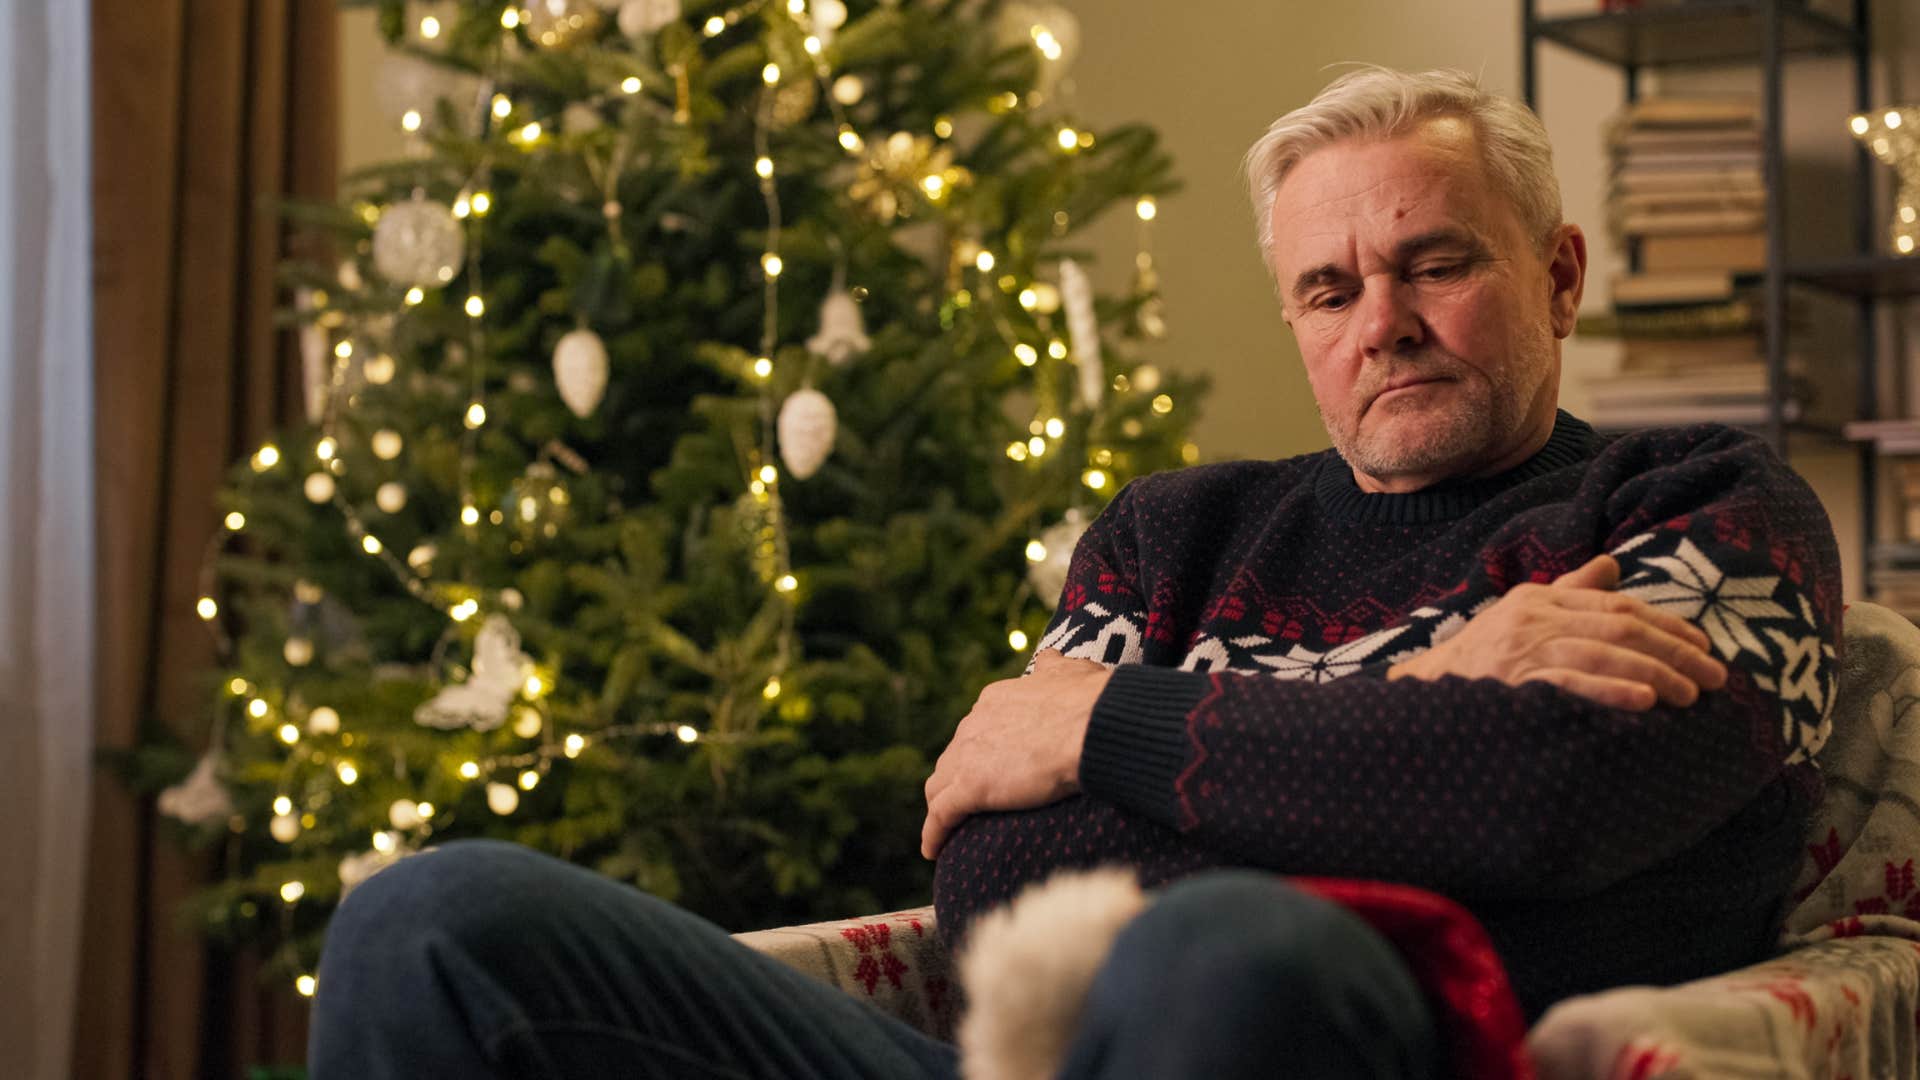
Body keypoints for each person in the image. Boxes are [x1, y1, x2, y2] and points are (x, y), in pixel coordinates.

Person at [309, 66, 1840, 1079]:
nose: (1384, 320)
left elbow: (1549, 797)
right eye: (1329, 285)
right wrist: (1435, 702)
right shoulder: (1177, 534)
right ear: (1299, 319)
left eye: (1437, 261)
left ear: (1559, 275)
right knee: (434, 923)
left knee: (1228, 952)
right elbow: (991, 881)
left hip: (1395, 1047)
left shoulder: (1702, 504)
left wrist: (1109, 732)